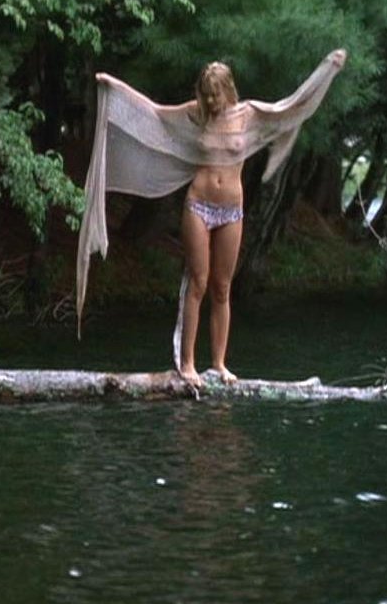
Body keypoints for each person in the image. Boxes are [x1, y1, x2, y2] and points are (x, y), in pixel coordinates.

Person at [84, 49, 348, 390]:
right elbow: (154, 114)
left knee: (222, 288)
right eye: (206, 94)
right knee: (198, 282)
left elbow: (291, 107)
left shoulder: (249, 115)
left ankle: (220, 363)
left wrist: (328, 69)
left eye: (215, 94)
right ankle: (187, 363)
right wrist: (113, 86)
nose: (210, 101)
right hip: (199, 205)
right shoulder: (196, 115)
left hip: (231, 210)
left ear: (228, 90)